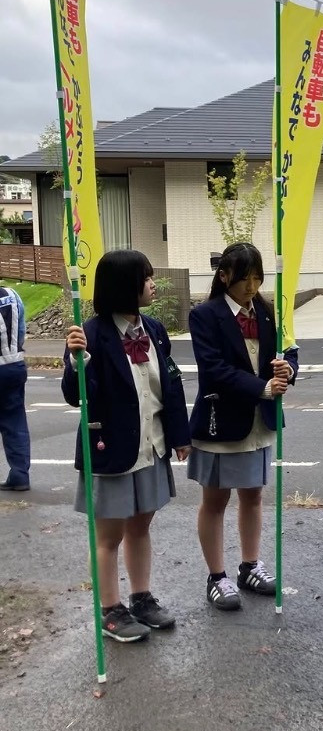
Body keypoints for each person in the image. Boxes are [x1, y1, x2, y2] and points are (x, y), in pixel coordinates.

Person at [63, 250, 191, 643]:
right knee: (109, 536)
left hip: (151, 447)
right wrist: (77, 364)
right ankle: (110, 610)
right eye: (146, 278)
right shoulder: (89, 334)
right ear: (124, 285)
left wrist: (180, 435)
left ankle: (141, 599)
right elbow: (77, 396)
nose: (153, 284)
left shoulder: (154, 329)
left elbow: (170, 384)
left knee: (141, 527)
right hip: (111, 450)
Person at [187, 243, 298, 611]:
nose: (252, 287)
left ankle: (250, 566)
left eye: (257, 278)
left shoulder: (266, 310)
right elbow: (213, 369)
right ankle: (216, 576)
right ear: (224, 276)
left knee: (253, 495)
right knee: (215, 500)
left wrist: (287, 369)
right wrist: (262, 388)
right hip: (221, 421)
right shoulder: (204, 315)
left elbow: (288, 349)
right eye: (244, 279)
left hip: (258, 421)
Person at [0, 284, 30, 492]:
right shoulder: (11, 295)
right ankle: (20, 474)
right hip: (13, 364)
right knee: (15, 421)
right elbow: (21, 331)